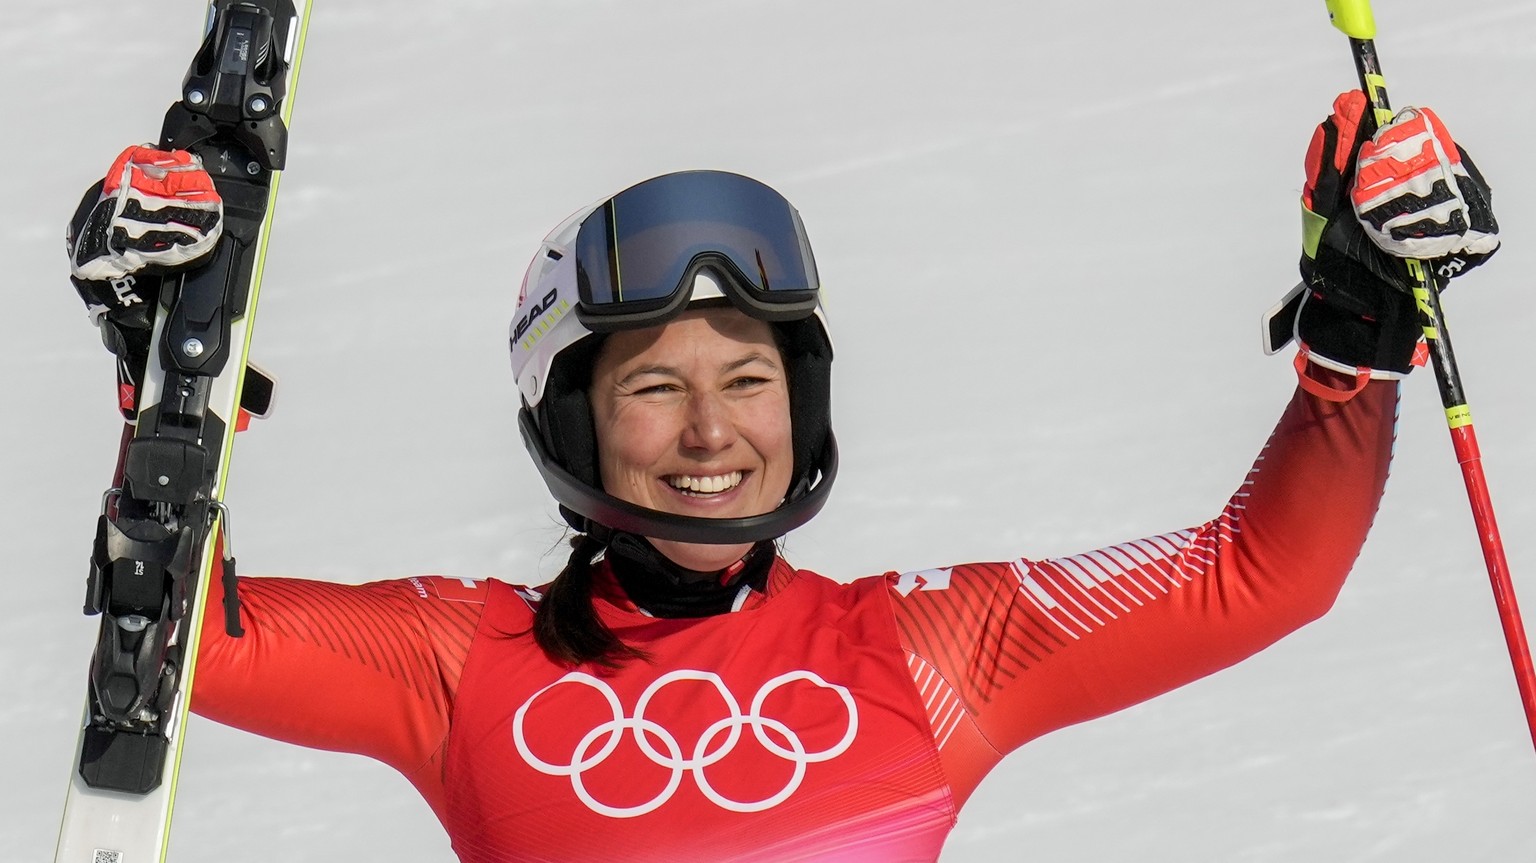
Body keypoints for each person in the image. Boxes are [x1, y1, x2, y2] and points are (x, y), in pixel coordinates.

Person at [65, 90, 1499, 861]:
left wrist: (1354, 337)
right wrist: (169, 374)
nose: (711, 433)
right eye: (654, 389)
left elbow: (1266, 574)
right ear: (569, 422)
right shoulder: (464, 667)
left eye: (749, 379)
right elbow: (186, 636)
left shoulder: (924, 651)